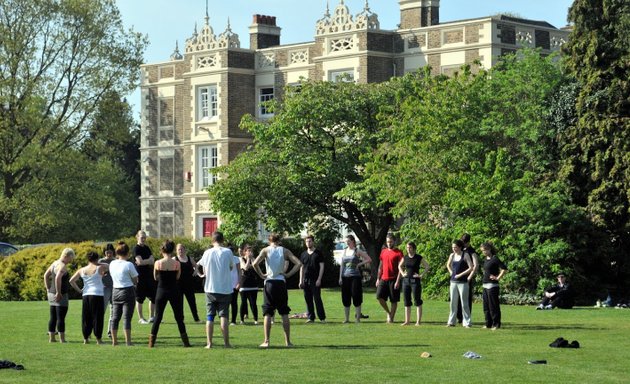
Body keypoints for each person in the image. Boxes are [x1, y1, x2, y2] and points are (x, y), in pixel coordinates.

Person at [252, 233, 302, 348]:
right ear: (279, 241)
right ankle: (288, 342)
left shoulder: (265, 250)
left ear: (269, 241)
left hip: (269, 283)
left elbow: (255, 263)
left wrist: (262, 275)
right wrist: (287, 274)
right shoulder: (284, 250)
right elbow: (299, 263)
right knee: (284, 312)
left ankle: (266, 341)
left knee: (268, 312)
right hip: (280, 282)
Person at [197, 231, 235, 348]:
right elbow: (231, 266)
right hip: (225, 289)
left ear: (212, 240)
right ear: (222, 240)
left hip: (210, 288)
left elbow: (200, 266)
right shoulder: (228, 252)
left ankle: (209, 343)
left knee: (210, 317)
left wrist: (203, 273)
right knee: (224, 316)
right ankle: (226, 343)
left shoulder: (207, 252)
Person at [149, 240, 190, 348]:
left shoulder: (158, 263)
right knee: (179, 318)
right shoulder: (176, 263)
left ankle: (151, 342)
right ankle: (186, 342)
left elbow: (155, 277)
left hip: (161, 290)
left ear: (162, 250)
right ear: (172, 250)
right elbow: (177, 277)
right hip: (174, 290)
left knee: (157, 317)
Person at [69, 251, 108, 344]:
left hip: (86, 295)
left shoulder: (82, 270)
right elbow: (108, 266)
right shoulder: (100, 267)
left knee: (86, 317)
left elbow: (71, 281)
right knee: (98, 317)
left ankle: (85, 338)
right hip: (97, 294)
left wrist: (79, 290)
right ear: (97, 259)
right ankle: (98, 339)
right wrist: (98, 263)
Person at [109, 241, 139, 346]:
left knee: (115, 317)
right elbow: (136, 279)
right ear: (127, 253)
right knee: (126, 318)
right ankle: (128, 341)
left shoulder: (112, 263)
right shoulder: (129, 264)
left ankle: (114, 341)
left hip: (115, 291)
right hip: (127, 291)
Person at [43, 248, 75, 343]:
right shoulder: (62, 266)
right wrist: (58, 292)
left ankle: (52, 338)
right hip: (60, 295)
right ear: (67, 256)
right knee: (61, 318)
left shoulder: (54, 263)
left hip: (51, 294)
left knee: (53, 317)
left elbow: (45, 275)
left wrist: (48, 289)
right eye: (71, 258)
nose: (71, 261)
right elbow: (57, 278)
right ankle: (62, 339)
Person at [339, 235, 371, 323]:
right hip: (345, 277)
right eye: (346, 241)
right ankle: (346, 319)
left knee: (356, 297)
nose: (347, 243)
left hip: (355, 278)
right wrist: (340, 277)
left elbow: (369, 259)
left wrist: (359, 264)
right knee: (345, 298)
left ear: (353, 241)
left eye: (348, 241)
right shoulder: (344, 251)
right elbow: (342, 265)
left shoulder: (357, 251)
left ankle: (357, 319)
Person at [398, 241, 430, 326]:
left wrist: (421, 275)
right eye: (407, 248)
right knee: (406, 301)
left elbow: (427, 266)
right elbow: (399, 266)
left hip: (415, 282)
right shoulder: (405, 257)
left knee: (417, 300)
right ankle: (407, 321)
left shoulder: (418, 257)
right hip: (406, 281)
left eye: (410, 248)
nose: (408, 249)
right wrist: (402, 273)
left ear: (414, 248)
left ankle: (418, 321)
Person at [376, 234, 404, 323]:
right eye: (388, 242)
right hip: (383, 279)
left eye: (390, 242)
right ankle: (388, 313)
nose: (389, 243)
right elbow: (380, 266)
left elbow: (401, 268)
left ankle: (391, 318)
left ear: (394, 241)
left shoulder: (399, 252)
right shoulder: (383, 251)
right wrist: (377, 278)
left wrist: (398, 281)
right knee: (379, 296)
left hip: (394, 279)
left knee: (393, 300)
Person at [446, 239, 474, 327]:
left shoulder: (465, 255)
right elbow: (448, 265)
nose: (454, 249)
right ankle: (451, 322)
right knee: (453, 303)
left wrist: (460, 274)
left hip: (463, 282)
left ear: (460, 247)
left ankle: (467, 322)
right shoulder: (452, 255)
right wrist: (451, 271)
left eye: (456, 247)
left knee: (464, 303)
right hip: (453, 282)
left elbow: (471, 267)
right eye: (453, 247)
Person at [299, 235, 326, 323]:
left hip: (315, 280)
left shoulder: (318, 253)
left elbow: (322, 267)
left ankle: (322, 318)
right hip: (306, 280)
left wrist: (319, 279)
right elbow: (301, 268)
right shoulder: (303, 254)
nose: (308, 243)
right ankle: (311, 317)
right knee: (308, 299)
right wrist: (301, 280)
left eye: (310, 241)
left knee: (317, 299)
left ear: (313, 242)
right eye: (307, 241)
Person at [480, 242, 507, 329]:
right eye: (482, 251)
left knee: (493, 306)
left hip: (492, 286)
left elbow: (504, 268)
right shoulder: (485, 259)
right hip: (485, 285)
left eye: (484, 250)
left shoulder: (495, 259)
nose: (483, 252)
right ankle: (488, 323)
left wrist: (497, 278)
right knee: (486, 306)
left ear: (489, 249)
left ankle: (496, 324)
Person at [133, 230, 156, 324]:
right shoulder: (136, 249)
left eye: (144, 237)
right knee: (140, 298)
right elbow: (139, 262)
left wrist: (144, 261)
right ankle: (141, 318)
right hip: (139, 276)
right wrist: (148, 261)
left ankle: (151, 317)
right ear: (137, 237)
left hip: (149, 276)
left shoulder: (147, 248)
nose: (143, 239)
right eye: (142, 237)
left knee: (153, 297)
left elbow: (152, 260)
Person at [175, 243, 201, 323]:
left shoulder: (189, 258)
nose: (180, 251)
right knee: (179, 303)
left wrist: (196, 270)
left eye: (182, 249)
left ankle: (196, 319)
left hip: (189, 284)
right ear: (176, 251)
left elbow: (196, 265)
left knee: (192, 302)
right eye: (179, 249)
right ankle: (181, 319)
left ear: (185, 250)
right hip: (178, 284)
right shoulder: (174, 259)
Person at [457, 233, 478, 324]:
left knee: (466, 298)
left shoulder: (472, 251)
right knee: (457, 298)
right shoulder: (460, 249)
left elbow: (475, 265)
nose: (463, 244)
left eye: (465, 242)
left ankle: (466, 317)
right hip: (458, 277)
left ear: (468, 242)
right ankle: (459, 317)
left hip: (467, 277)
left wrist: (470, 276)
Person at [239, 245, 259, 324]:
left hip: (253, 284)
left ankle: (256, 320)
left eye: (251, 251)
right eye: (248, 251)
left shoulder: (254, 259)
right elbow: (245, 268)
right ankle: (242, 320)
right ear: (245, 252)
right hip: (244, 284)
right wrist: (248, 260)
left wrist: (252, 259)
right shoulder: (241, 259)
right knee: (243, 303)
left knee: (253, 303)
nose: (250, 252)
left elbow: (256, 267)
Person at [98, 243, 116, 337]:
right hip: (104, 288)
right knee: (102, 310)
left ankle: (110, 331)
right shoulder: (101, 261)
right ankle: (98, 329)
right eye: (107, 252)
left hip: (114, 287)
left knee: (114, 310)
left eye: (110, 252)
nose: (109, 254)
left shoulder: (116, 261)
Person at [228, 247, 241, 325]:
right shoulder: (224, 259)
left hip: (234, 284)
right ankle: (225, 319)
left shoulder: (236, 259)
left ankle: (233, 320)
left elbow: (239, 271)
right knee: (225, 303)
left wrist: (239, 282)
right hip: (226, 284)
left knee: (234, 302)